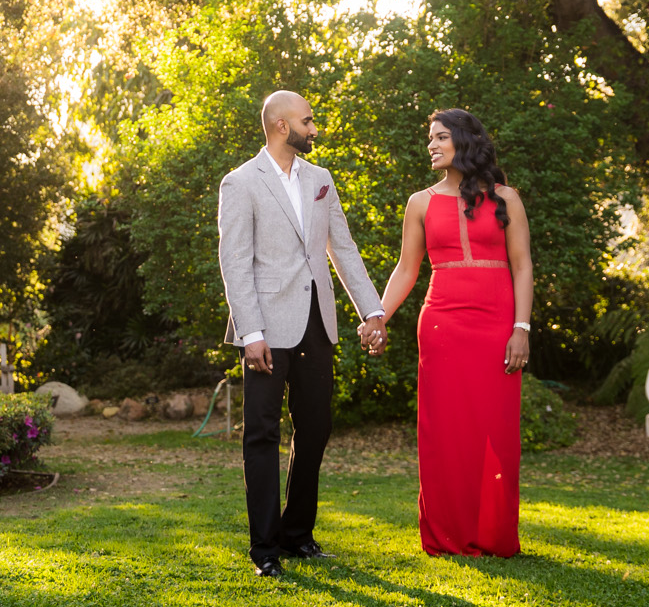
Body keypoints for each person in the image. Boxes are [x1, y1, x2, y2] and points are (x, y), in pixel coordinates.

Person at [216, 90, 387, 579]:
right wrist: (251, 332)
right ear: (281, 126)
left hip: (317, 322)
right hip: (266, 328)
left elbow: (344, 249)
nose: (315, 129)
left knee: (316, 429)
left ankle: (297, 534)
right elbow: (235, 264)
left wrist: (371, 310)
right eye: (308, 121)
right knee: (263, 434)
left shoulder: (321, 179)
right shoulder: (241, 183)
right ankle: (265, 549)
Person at [367, 107, 532, 557]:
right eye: (430, 139)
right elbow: (406, 268)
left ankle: (495, 533)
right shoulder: (419, 202)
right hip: (442, 325)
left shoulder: (507, 198)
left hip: (498, 322)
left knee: (495, 430)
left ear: (464, 140)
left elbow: (522, 266)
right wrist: (377, 314)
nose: (432, 145)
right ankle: (446, 535)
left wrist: (522, 327)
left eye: (441, 137)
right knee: (445, 432)